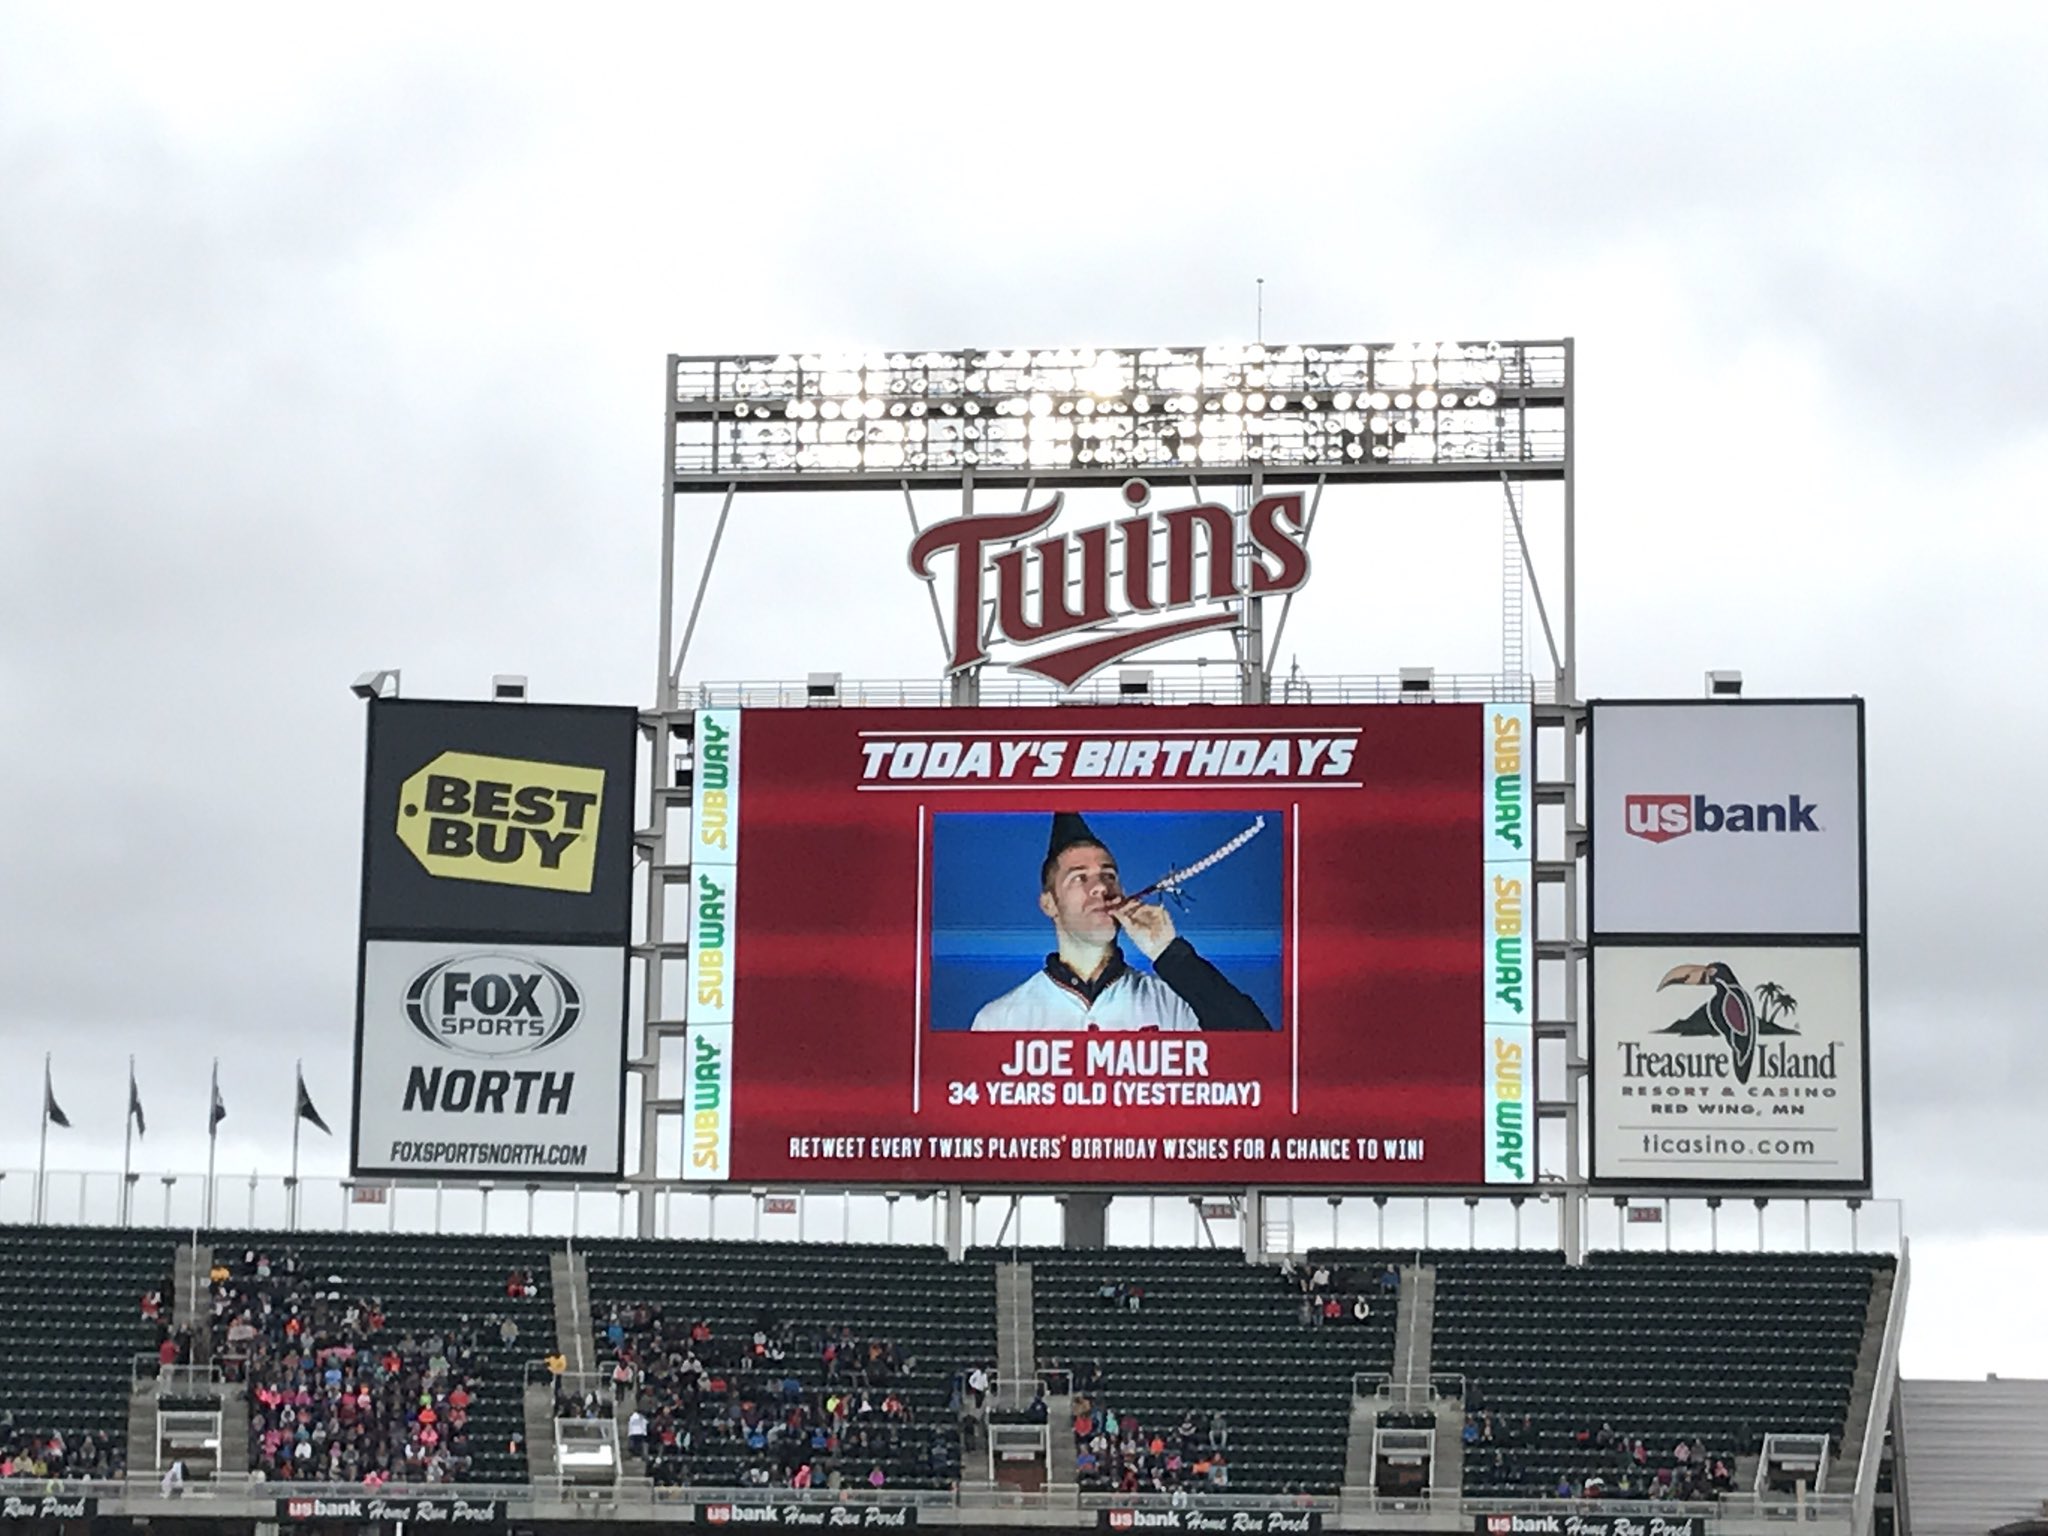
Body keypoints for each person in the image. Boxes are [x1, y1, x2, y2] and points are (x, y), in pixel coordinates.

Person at [969, 812, 1272, 1032]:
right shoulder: (999, 1020)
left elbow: (1258, 1050)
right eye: (1080, 878)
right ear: (1049, 903)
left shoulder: (1173, 1003)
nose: (1101, 886)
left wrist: (1169, 953)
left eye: (1109, 875)